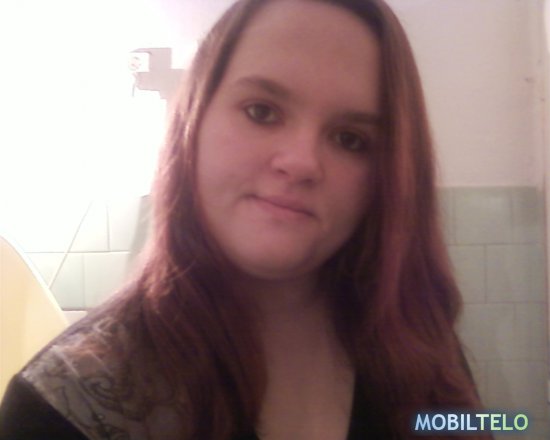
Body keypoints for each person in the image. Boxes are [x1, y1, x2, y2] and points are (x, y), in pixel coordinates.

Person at [0, 0, 492, 439]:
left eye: (350, 139)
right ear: (194, 120)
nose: (301, 161)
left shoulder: (419, 352)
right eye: (261, 111)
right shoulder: (65, 407)